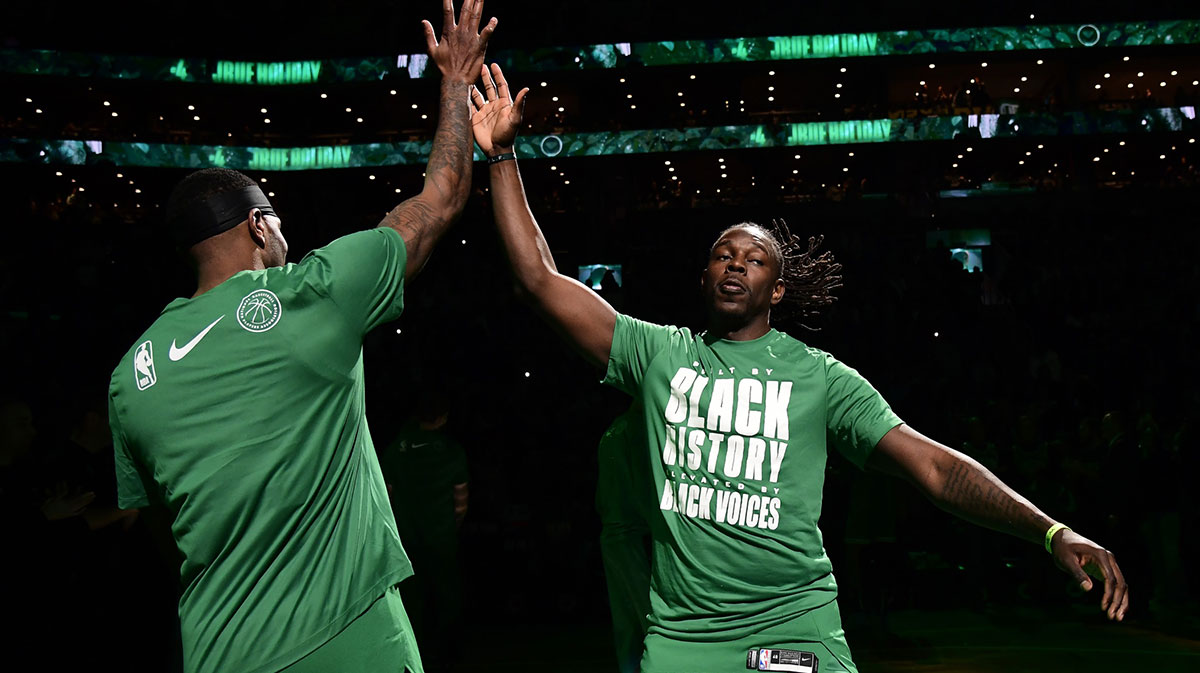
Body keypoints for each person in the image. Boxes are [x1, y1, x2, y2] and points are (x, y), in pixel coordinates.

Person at [468, 63, 1129, 673]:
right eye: (722, 254)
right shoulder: (657, 353)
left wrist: (1049, 529)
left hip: (794, 631)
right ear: (703, 276)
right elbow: (537, 278)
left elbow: (935, 466)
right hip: (684, 641)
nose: (734, 263)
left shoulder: (821, 376)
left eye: (753, 258)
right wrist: (500, 155)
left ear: (777, 289)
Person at [106, 3, 496, 672]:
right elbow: (439, 202)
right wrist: (456, 81)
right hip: (349, 636)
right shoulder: (311, 294)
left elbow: (159, 527)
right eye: (278, 221)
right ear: (259, 228)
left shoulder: (130, 373)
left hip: (218, 651)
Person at [379, 391, 469, 673]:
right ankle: (446, 655)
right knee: (446, 596)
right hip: (441, 537)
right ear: (443, 417)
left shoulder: (397, 449)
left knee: (410, 599)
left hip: (406, 538)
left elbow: (387, 495)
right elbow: (461, 501)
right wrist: (450, 526)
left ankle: (412, 656)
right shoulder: (451, 450)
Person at [595, 404, 653, 673]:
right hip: (634, 537)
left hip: (614, 535)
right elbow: (644, 490)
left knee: (626, 622)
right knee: (649, 620)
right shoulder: (639, 430)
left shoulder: (613, 429)